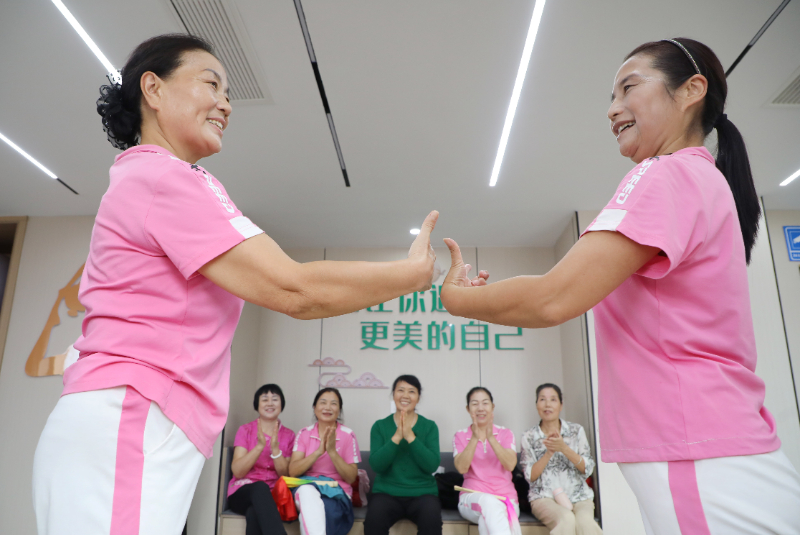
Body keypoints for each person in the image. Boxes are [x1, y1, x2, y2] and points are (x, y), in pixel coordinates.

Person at [32, 33, 439, 535]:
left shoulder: (165, 179)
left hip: (133, 422)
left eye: (228, 93)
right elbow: (295, 289)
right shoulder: (164, 178)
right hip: (130, 417)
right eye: (212, 84)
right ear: (153, 89)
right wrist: (410, 275)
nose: (226, 104)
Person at [440, 37, 800, 534]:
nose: (612, 109)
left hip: (696, 446)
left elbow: (553, 297)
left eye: (628, 88)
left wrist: (457, 299)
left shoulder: (665, 174)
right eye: (611, 97)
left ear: (691, 90)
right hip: (705, 445)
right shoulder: (698, 177)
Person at [364, 375, 442, 535]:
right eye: (400, 390)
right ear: (393, 394)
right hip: (386, 493)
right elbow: (377, 466)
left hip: (423, 493)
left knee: (432, 520)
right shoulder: (379, 426)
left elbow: (432, 465)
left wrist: (411, 437)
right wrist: (397, 437)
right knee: (373, 520)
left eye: (411, 391)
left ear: (418, 398)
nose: (405, 395)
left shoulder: (429, 426)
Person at [520, 384, 601, 535]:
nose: (547, 404)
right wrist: (548, 453)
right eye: (542, 399)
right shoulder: (529, 436)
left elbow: (587, 468)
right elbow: (530, 476)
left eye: (553, 399)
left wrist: (564, 448)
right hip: (544, 497)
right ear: (536, 404)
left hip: (579, 496)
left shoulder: (576, 431)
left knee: (586, 524)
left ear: (561, 405)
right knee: (566, 519)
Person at [289, 388, 360, 535]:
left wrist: (332, 452)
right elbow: (293, 471)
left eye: (333, 403)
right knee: (307, 492)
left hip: (337, 491)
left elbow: (351, 477)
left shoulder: (348, 435)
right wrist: (318, 452)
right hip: (307, 487)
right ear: (314, 408)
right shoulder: (304, 433)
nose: (328, 407)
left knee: (326, 508)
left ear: (339, 410)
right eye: (323, 402)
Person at [227, 384, 295, 535]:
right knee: (260, 488)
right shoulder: (245, 430)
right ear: (257, 405)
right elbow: (238, 472)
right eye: (265, 399)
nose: (270, 403)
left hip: (273, 496)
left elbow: (286, 475)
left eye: (275, 399)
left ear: (281, 404)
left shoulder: (289, 435)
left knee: (253, 513)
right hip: (242, 493)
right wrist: (259, 447)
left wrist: (276, 450)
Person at [453, 387, 519, 535]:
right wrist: (474, 438)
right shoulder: (460, 435)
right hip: (471, 499)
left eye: (485, 403)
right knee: (489, 502)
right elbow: (462, 468)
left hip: (507, 500)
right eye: (475, 404)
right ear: (468, 409)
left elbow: (510, 465)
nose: (480, 408)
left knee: (487, 520)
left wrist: (491, 438)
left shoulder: (506, 433)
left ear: (492, 407)